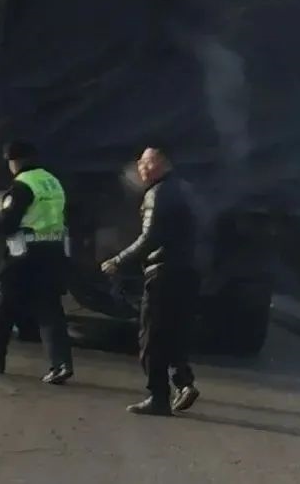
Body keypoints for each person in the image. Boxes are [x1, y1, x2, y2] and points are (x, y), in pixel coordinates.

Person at [101, 147, 201, 416]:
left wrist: (118, 260)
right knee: (173, 332)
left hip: (163, 272)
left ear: (164, 163)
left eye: (147, 162)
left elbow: (150, 237)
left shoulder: (157, 193)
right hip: (188, 270)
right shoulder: (186, 189)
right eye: (140, 163)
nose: (141, 168)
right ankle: (184, 382)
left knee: (151, 337)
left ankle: (158, 397)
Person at [0, 140, 74, 384]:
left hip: (23, 256)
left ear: (14, 162)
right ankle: (61, 364)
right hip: (52, 252)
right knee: (50, 310)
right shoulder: (52, 181)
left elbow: (7, 223)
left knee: (3, 308)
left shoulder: (21, 185)